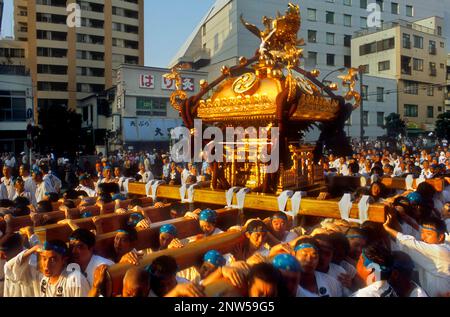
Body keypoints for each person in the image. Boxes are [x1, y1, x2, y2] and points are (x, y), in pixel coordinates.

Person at [383, 215, 450, 297]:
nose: (423, 237)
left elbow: (410, 243)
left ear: (440, 237)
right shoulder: (431, 249)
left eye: (428, 234)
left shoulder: (441, 252)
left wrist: (388, 229)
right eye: (422, 233)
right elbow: (407, 243)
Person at [6, 241, 90, 297]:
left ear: (64, 260)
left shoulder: (74, 279)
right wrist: (33, 249)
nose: (46, 265)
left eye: (53, 260)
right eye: (44, 258)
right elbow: (10, 268)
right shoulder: (41, 277)